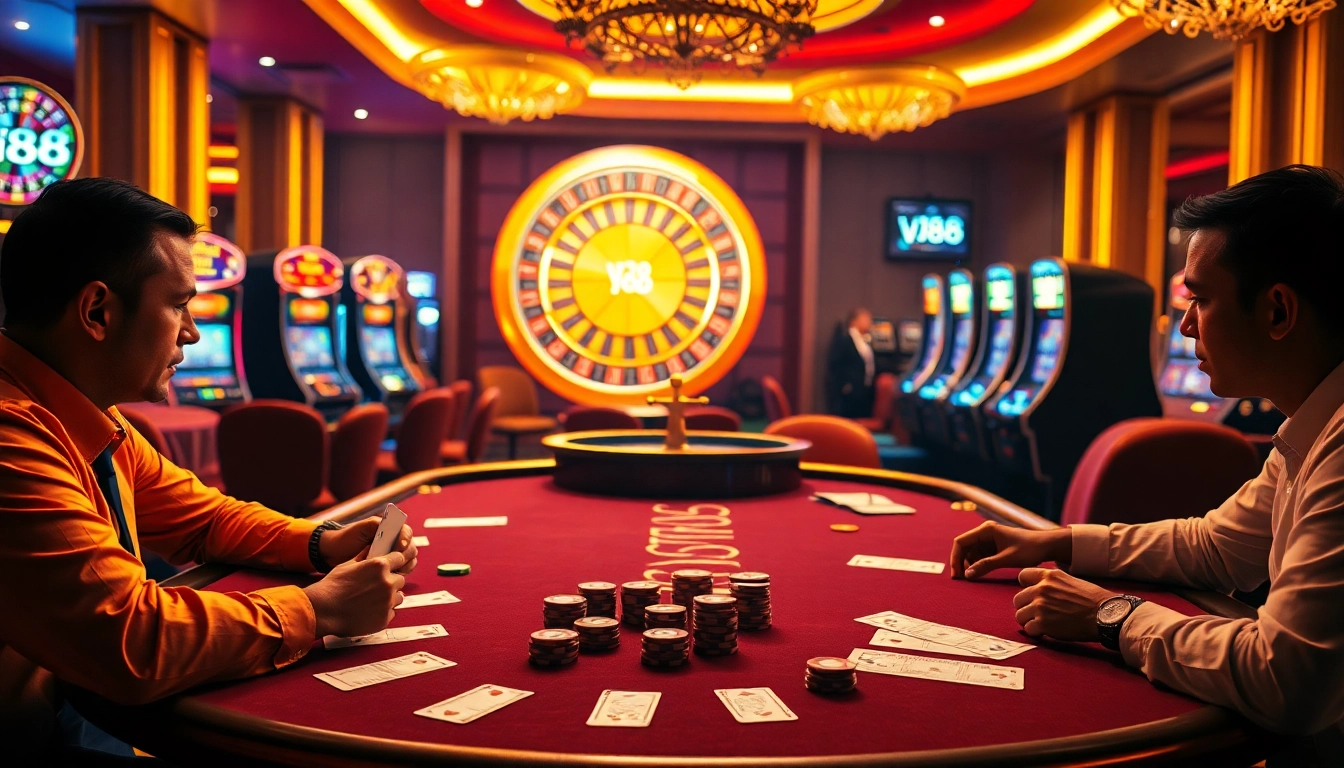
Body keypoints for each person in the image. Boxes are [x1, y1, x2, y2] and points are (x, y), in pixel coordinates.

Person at [0, 178, 419, 760]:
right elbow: (130, 640)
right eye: (177, 305)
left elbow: (203, 518)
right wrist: (319, 609)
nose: (194, 332)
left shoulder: (86, 413)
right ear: (97, 311)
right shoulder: (11, 436)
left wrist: (320, 542)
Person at [949, 164, 1344, 764]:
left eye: (1200, 300)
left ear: (1277, 312)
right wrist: (1056, 542)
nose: (1184, 326)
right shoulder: (1310, 430)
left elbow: (1287, 680)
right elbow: (1217, 546)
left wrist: (1109, 615)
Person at [826, 307, 876, 418]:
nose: (869, 322)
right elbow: (835, 366)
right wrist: (845, 387)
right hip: (849, 393)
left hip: (865, 392)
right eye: (865, 319)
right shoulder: (844, 340)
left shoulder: (866, 340)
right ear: (854, 321)